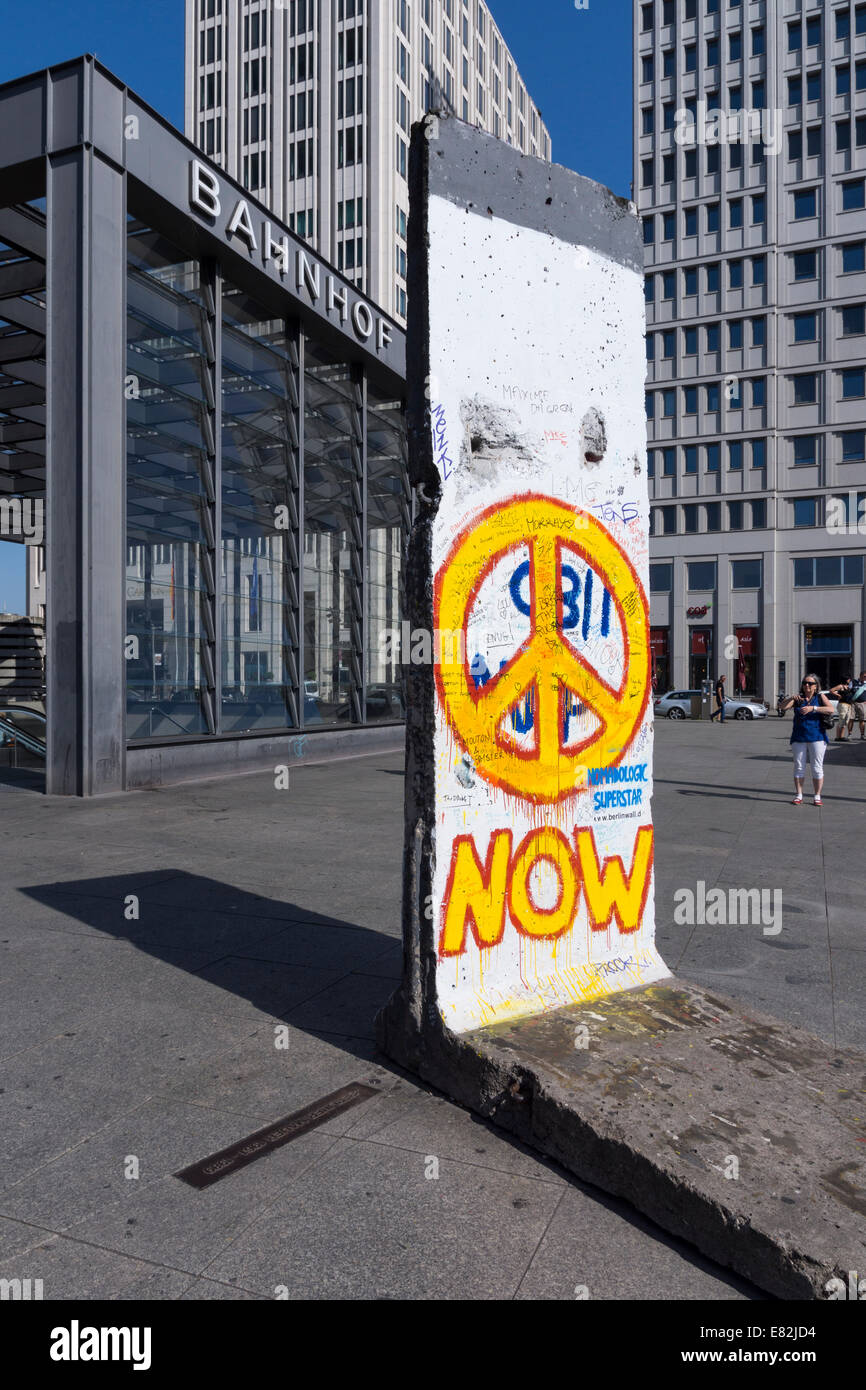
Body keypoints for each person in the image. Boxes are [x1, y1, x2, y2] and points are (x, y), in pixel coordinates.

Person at [781, 675, 835, 806]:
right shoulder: (798, 699)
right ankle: (799, 795)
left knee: (817, 767)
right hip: (799, 737)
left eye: (810, 683)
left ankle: (817, 796)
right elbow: (782, 707)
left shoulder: (820, 697)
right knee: (799, 766)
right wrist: (790, 698)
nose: (807, 685)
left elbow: (831, 709)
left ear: (816, 686)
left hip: (817, 737)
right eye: (805, 683)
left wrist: (814, 708)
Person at [830, 675, 856, 742]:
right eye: (848, 679)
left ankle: (841, 736)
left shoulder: (848, 687)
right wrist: (838, 695)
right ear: (845, 679)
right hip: (842, 704)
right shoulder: (840, 686)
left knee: (846, 721)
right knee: (841, 720)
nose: (849, 680)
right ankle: (838, 737)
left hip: (848, 705)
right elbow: (831, 690)